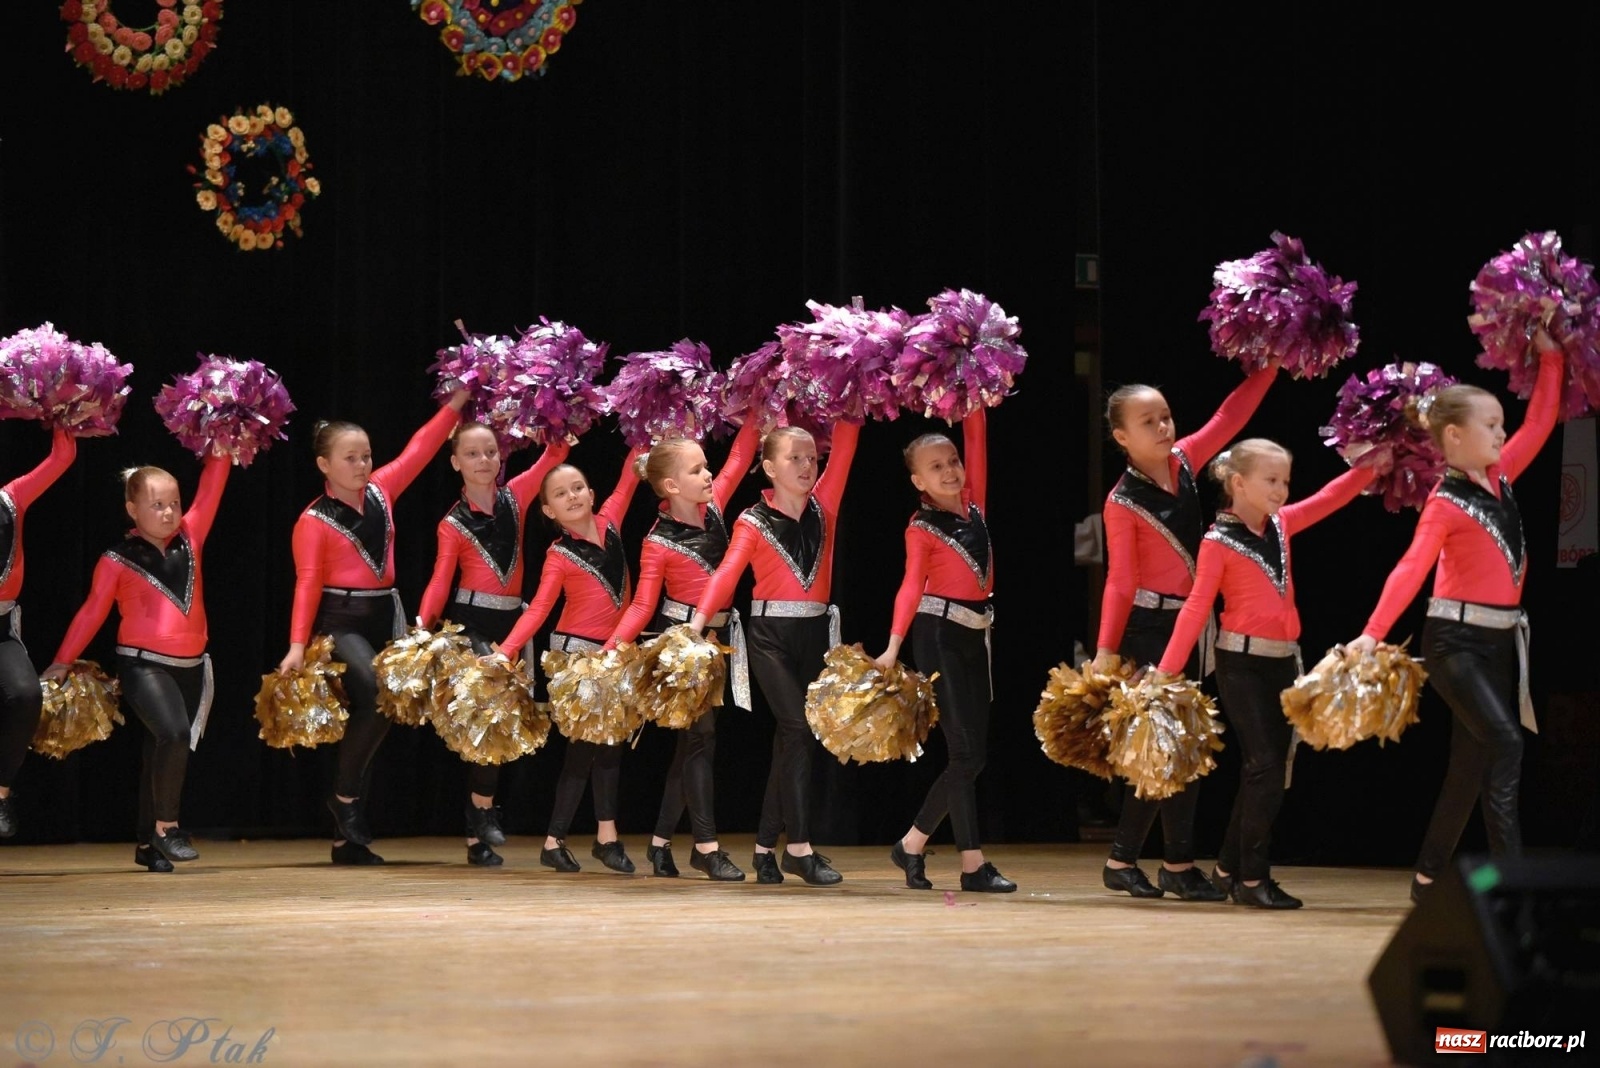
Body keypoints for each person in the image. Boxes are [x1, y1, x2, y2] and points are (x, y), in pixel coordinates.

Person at [1347, 332, 1563, 904]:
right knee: (1505, 742)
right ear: (1454, 436)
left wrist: (1551, 354)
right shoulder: (1444, 501)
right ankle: (1510, 887)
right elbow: (1411, 567)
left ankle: (1427, 879)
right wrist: (1372, 633)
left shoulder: (1504, 476)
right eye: (1490, 425)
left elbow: (1540, 421)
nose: (1501, 433)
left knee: (1470, 767)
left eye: (1499, 425)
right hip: (1455, 644)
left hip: (1499, 644)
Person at [1157, 438, 1375, 908]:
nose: (1282, 490)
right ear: (1238, 483)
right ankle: (1253, 880)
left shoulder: (1281, 525)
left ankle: (1228, 870)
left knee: (1269, 773)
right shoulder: (1217, 542)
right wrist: (1167, 672)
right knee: (1265, 767)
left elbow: (1333, 496)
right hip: (1241, 663)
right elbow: (1196, 609)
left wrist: (1377, 462)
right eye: (1271, 480)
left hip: (1285, 662)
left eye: (1286, 481)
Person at [1092, 363, 1278, 900]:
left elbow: (1231, 415)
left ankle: (1175, 864)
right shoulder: (1121, 502)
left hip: (1192, 625)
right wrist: (1106, 649)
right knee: (1163, 748)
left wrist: (1272, 366)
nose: (1165, 427)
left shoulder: (1188, 461)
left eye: (1167, 416)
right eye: (1149, 421)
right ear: (1123, 438)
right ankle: (1123, 859)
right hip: (1148, 630)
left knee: (1186, 749)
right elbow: (1120, 582)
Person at [276, 393, 467, 865]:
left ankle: (346, 843)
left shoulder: (382, 490)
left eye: (366, 456)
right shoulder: (312, 521)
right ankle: (343, 800)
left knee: (386, 709)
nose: (362, 465)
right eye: (350, 458)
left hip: (386, 615)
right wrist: (297, 645)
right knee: (380, 694)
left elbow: (421, 448)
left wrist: (459, 399)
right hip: (340, 621)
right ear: (324, 464)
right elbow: (306, 584)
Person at [688, 420, 861, 886]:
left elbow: (846, 441)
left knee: (793, 742)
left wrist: (854, 383)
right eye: (794, 458)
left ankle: (766, 849)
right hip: (769, 638)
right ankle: (799, 850)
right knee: (796, 728)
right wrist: (696, 625)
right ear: (768, 467)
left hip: (816, 638)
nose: (807, 465)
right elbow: (726, 574)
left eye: (812, 458)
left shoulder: (824, 506)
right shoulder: (752, 520)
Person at [45, 452, 231, 871]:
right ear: (132, 509)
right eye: (156, 505)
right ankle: (168, 828)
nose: (168, 513)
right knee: (173, 733)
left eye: (174, 504)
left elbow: (215, 482)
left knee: (159, 750)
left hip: (192, 668)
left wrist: (225, 433)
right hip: (143, 665)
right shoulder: (116, 559)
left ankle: (147, 845)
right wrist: (62, 660)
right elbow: (93, 611)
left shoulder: (192, 536)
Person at [604, 417, 760, 882]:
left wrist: (760, 403)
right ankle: (707, 848)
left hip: (719, 641)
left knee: (691, 748)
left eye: (706, 467)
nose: (709, 475)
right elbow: (642, 606)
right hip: (681, 646)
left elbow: (739, 457)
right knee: (701, 741)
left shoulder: (716, 510)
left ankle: (658, 843)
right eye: (697, 470)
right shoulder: (655, 541)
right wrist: (612, 649)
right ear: (672, 484)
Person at [872, 408, 1014, 892]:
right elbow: (910, 586)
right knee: (965, 752)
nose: (951, 470)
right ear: (918, 480)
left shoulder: (973, 504)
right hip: (937, 635)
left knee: (972, 759)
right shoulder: (920, 527)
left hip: (976, 637)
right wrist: (892, 648)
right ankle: (972, 865)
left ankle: (911, 844)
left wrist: (974, 379)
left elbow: (978, 437)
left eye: (953, 460)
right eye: (937, 467)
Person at [416, 423, 570, 866]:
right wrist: (422, 628)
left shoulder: (515, 496)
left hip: (512, 626)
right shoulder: (452, 524)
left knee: (496, 731)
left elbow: (554, 455)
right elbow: (440, 581)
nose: (484, 460)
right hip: (472, 627)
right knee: (492, 714)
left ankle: (476, 827)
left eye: (490, 452)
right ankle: (481, 813)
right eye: (473, 454)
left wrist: (559, 412)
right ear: (455, 463)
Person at [494, 447, 643, 874]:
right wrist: (506, 651)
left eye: (578, 488)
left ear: (592, 493)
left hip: (615, 655)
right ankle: (554, 840)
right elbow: (539, 609)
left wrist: (647, 429)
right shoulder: (558, 555)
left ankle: (606, 838)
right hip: (578, 659)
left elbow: (630, 476)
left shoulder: (611, 521)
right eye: (561, 494)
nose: (573, 496)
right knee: (583, 751)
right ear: (548, 509)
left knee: (612, 749)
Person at [0, 426, 77, 838]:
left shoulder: (11, 498)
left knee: (26, 694)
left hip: (0, 629)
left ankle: (0, 795)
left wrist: (59, 408)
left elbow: (61, 458)